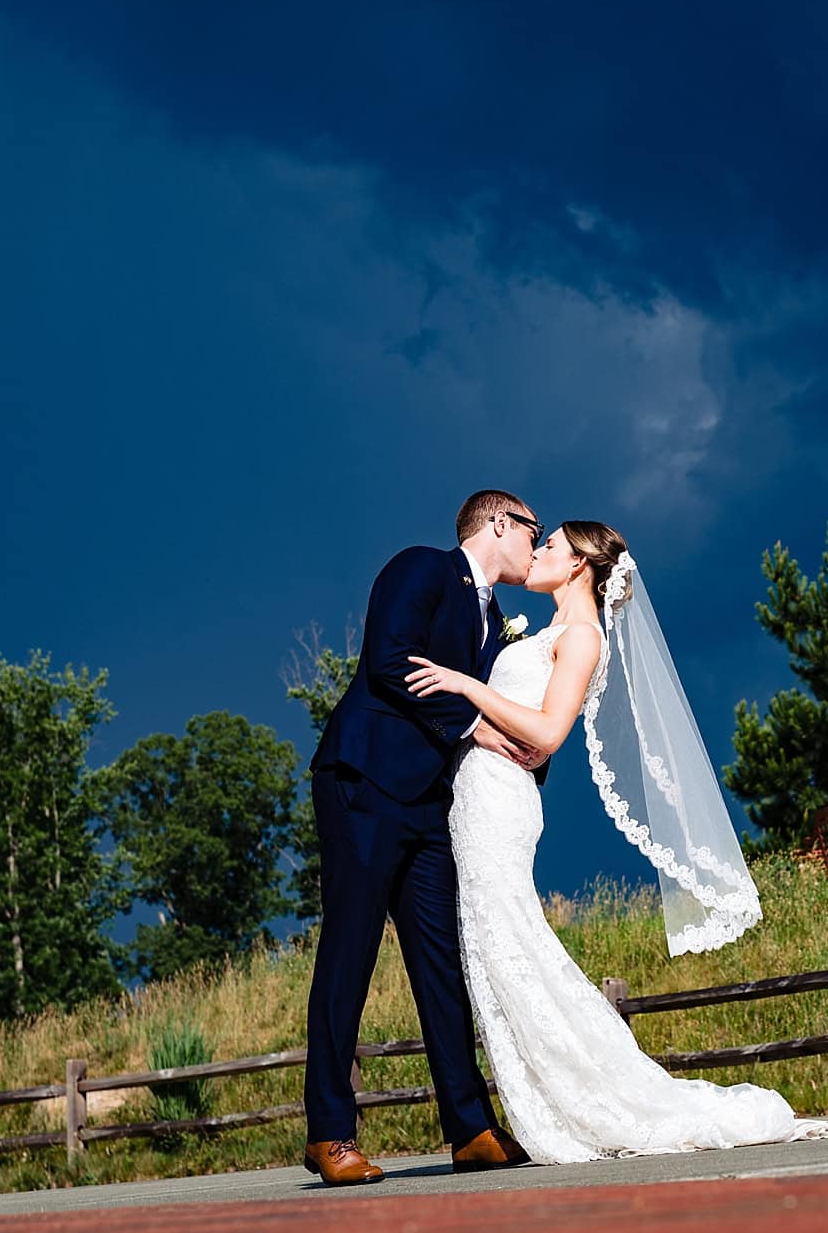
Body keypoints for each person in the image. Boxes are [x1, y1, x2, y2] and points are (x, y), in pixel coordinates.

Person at [404, 520, 828, 1161]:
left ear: (580, 565)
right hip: (476, 801)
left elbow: (550, 733)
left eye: (550, 545)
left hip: (501, 806)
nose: (539, 553)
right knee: (494, 950)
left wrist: (467, 686)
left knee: (511, 946)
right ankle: (538, 1101)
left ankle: (597, 1100)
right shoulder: (550, 630)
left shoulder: (582, 636)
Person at [302, 489, 542, 1184]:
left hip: (428, 804)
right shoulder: (422, 568)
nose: (537, 540)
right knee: (350, 951)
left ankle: (468, 1126)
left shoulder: (494, 621)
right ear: (499, 523)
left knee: (442, 961)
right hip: (364, 784)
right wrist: (473, 724)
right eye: (534, 528)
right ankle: (329, 1133)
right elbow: (390, 659)